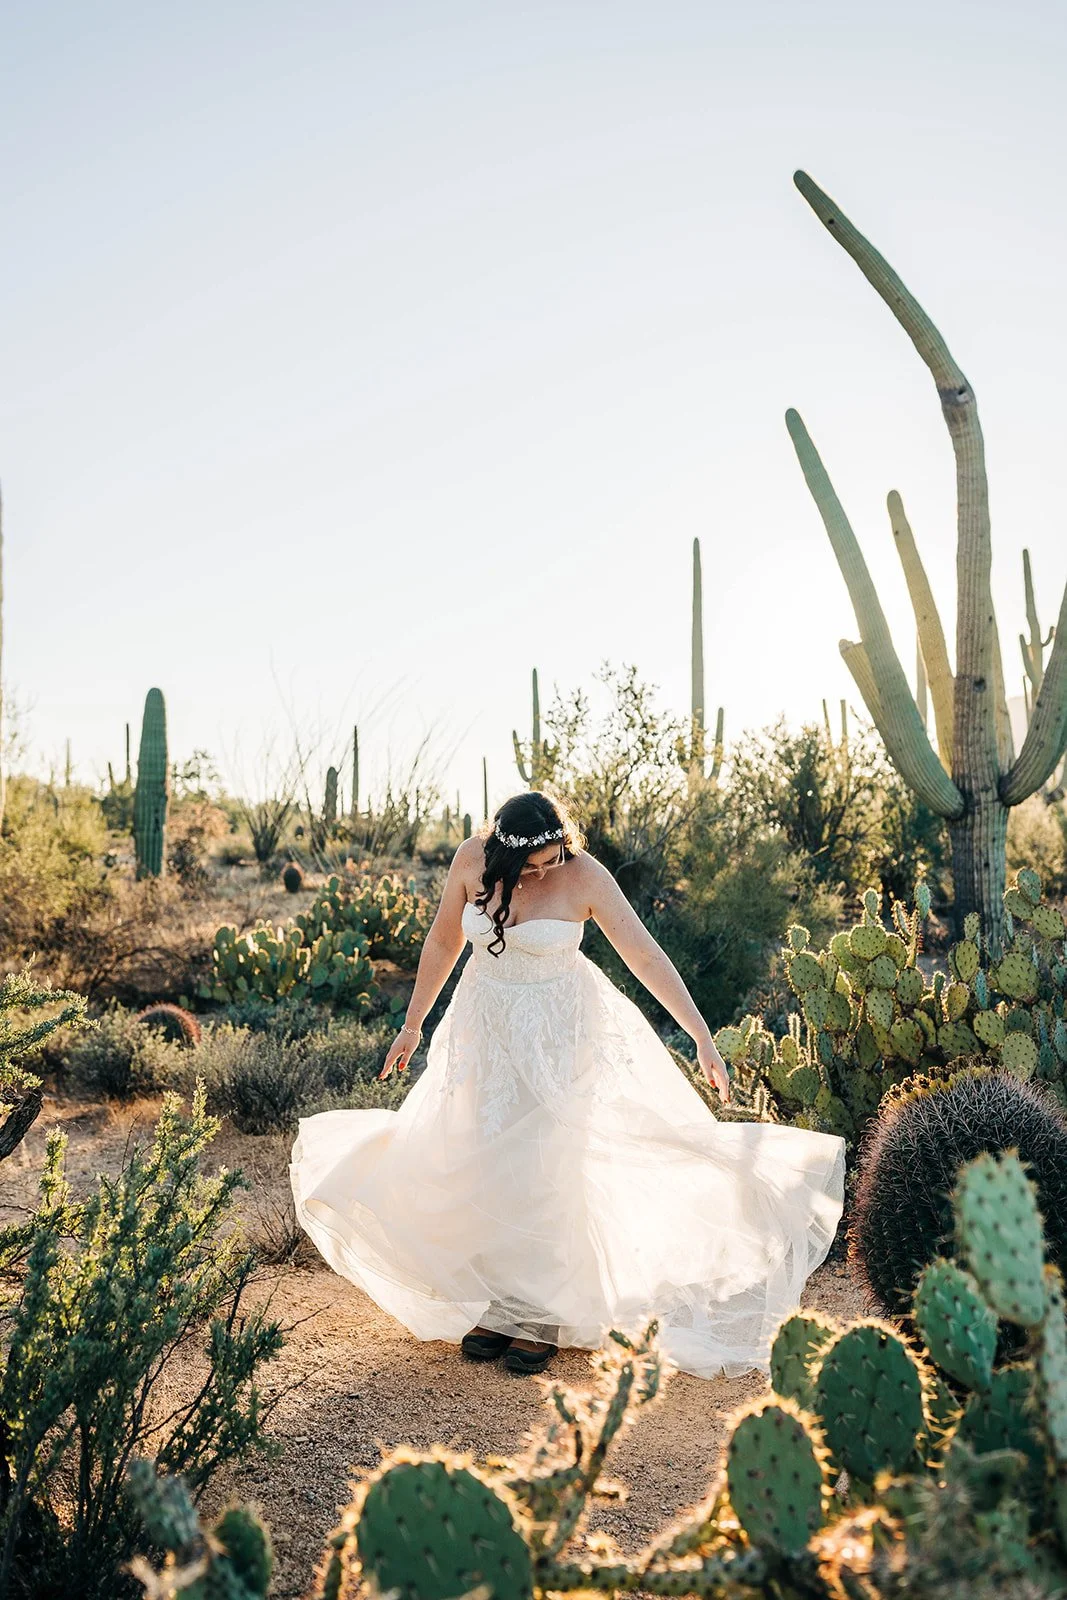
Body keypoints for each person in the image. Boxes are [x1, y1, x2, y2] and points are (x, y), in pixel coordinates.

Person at [289, 790, 846, 1379]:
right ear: (502, 852)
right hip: (485, 1030)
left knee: (546, 1165)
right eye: (533, 865)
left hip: (560, 1034)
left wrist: (702, 1036)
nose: (546, 871)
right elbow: (442, 942)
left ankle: (543, 1314)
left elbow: (643, 954)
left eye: (554, 858)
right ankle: (503, 1304)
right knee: (485, 1159)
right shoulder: (470, 861)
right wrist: (412, 1024)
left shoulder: (584, 876)